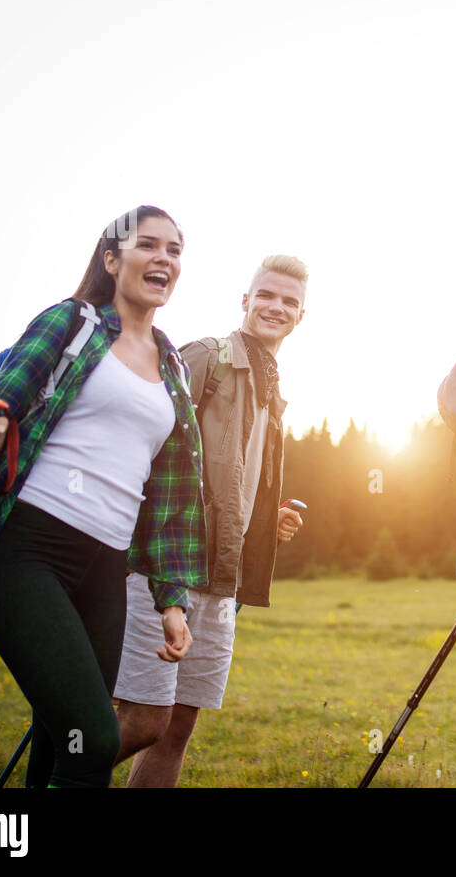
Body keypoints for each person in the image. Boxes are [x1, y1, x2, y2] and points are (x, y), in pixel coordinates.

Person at [0, 205, 205, 788]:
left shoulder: (172, 368)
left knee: (61, 741)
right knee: (95, 738)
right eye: (148, 245)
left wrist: (171, 600)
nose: (164, 257)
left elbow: (169, 500)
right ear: (112, 260)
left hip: (104, 570)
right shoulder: (72, 324)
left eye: (175, 249)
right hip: (29, 552)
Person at [113, 255, 308, 787]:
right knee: (140, 719)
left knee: (177, 725)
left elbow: (231, 480)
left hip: (220, 581)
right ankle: (59, 772)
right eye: (266, 295)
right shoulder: (206, 358)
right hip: (163, 568)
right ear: (245, 300)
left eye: (289, 301)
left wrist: (267, 519)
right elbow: (147, 449)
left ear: (301, 316)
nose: (276, 306)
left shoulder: (271, 387)